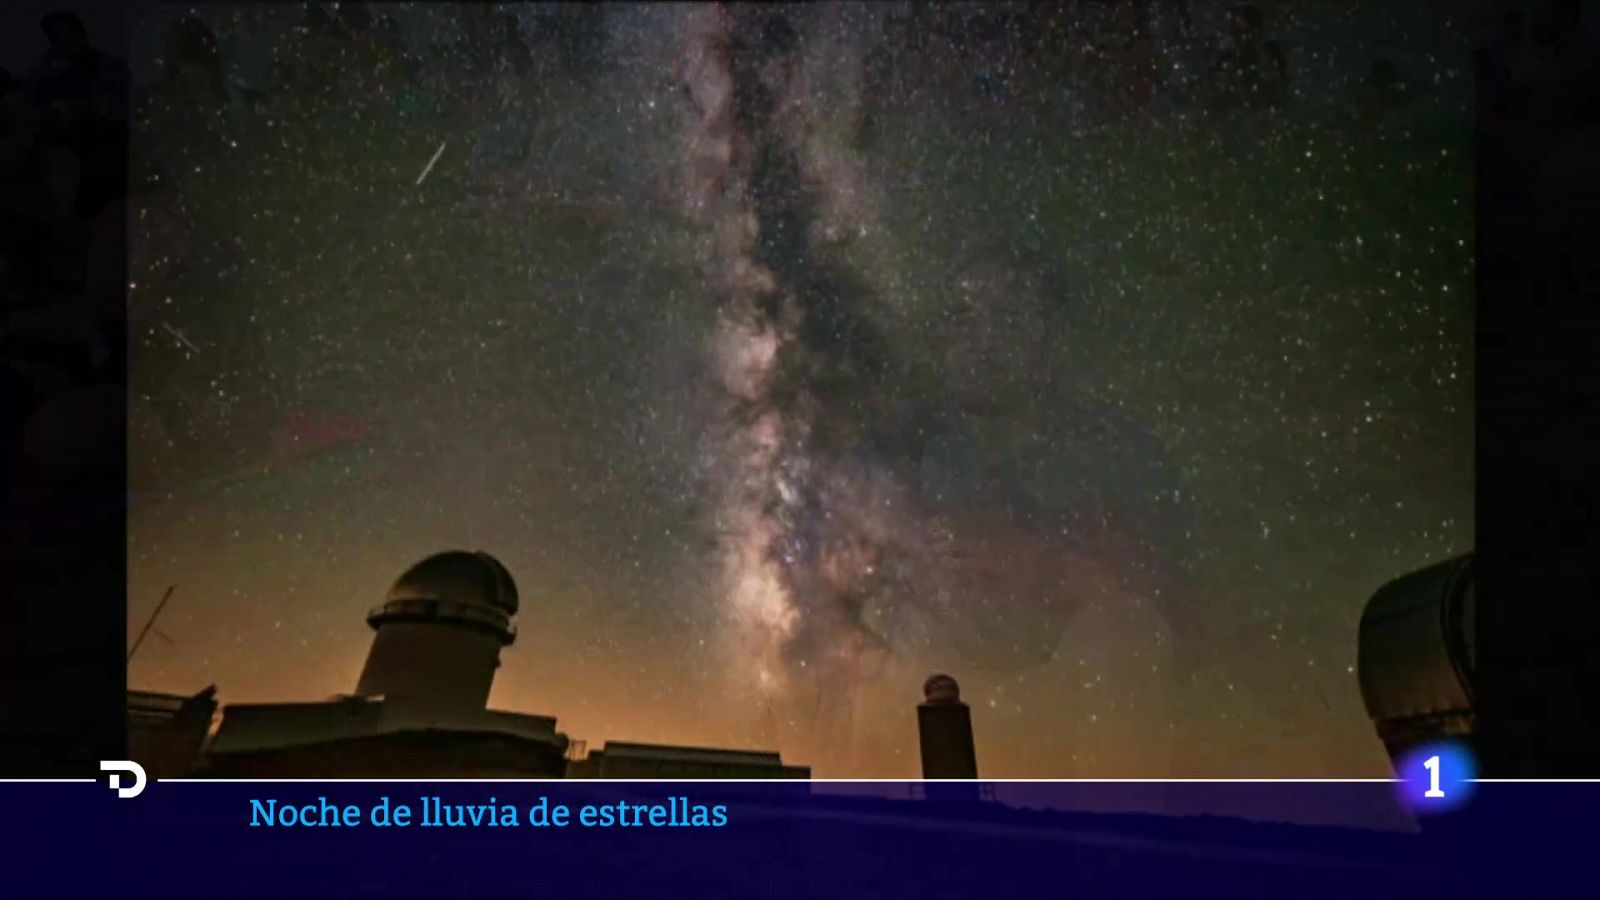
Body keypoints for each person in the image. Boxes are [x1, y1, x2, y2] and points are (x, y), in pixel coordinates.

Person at [1208, 4, 1288, 110]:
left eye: (1240, 30)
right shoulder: (1230, 52)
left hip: (1262, 101)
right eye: (1234, 30)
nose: (1234, 32)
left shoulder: (1270, 50)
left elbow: (1280, 79)